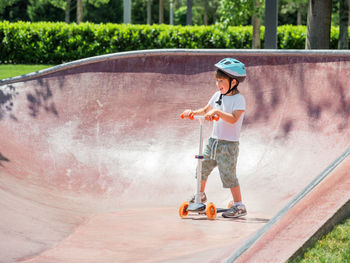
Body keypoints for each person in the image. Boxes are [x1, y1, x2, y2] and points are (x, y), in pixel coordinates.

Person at [181, 58, 247, 218]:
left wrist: (217, 113)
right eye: (217, 81)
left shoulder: (239, 99)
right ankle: (200, 195)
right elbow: (206, 110)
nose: (218, 84)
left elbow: (233, 118)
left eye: (222, 81)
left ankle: (239, 205)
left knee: (228, 175)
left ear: (233, 82)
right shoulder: (218, 95)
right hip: (213, 141)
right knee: (202, 168)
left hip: (228, 145)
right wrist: (193, 112)